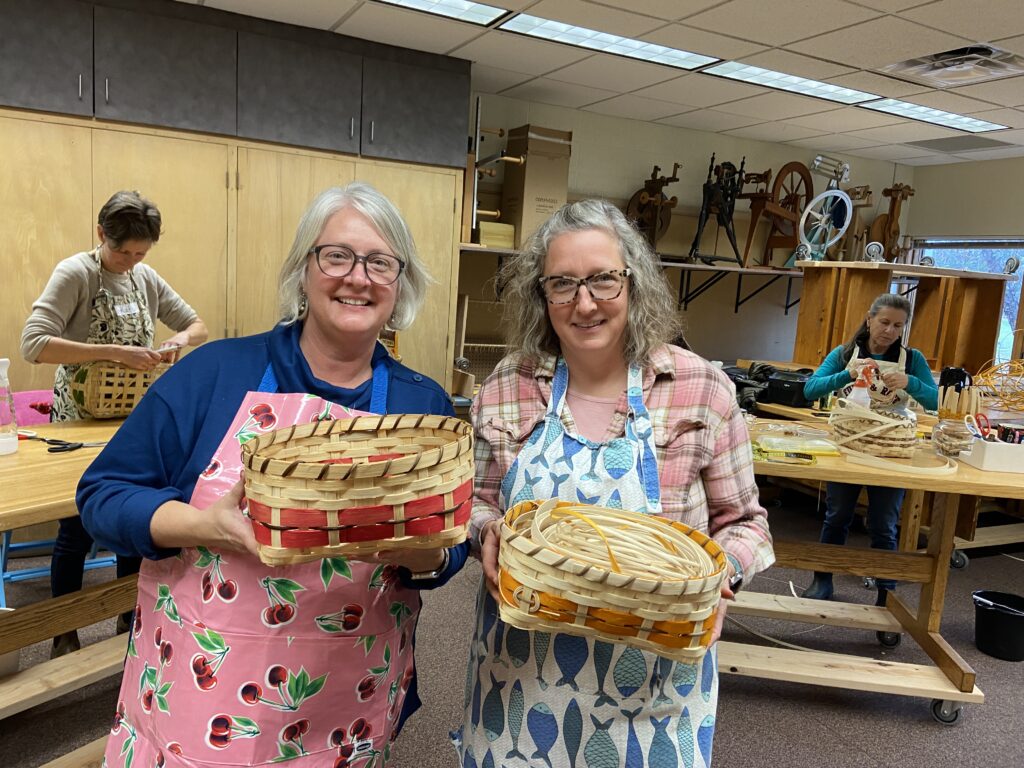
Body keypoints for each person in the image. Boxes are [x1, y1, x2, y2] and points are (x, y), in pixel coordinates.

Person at [77, 183, 468, 767]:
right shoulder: (214, 373)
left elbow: (449, 544)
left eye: (380, 262)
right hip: (204, 699)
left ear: (400, 283)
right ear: (303, 269)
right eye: (336, 255)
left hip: (347, 700)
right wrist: (206, 525)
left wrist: (427, 557)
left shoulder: (423, 405)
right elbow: (103, 496)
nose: (357, 277)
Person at [453, 200, 774, 768]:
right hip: (523, 677)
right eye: (563, 284)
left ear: (634, 282)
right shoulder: (508, 384)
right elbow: (475, 500)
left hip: (653, 684)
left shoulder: (702, 389)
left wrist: (720, 578)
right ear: (541, 294)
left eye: (603, 279)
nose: (584, 303)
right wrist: (485, 533)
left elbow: (746, 522)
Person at [20, 189, 209, 656]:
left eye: (140, 253)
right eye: (121, 251)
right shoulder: (77, 273)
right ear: (101, 233)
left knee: (130, 520)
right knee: (77, 528)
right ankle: (64, 630)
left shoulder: (145, 278)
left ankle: (130, 616)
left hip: (130, 420)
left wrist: (177, 341)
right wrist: (113, 352)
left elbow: (197, 325)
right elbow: (35, 344)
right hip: (78, 422)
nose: (130, 260)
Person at [801, 293, 939, 603]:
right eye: (884, 322)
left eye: (898, 326)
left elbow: (937, 403)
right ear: (869, 320)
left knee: (884, 524)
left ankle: (885, 593)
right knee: (837, 517)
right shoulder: (846, 352)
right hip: (849, 447)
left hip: (891, 452)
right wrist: (848, 373)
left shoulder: (912, 360)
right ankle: (823, 579)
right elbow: (810, 389)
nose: (890, 331)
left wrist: (910, 383)